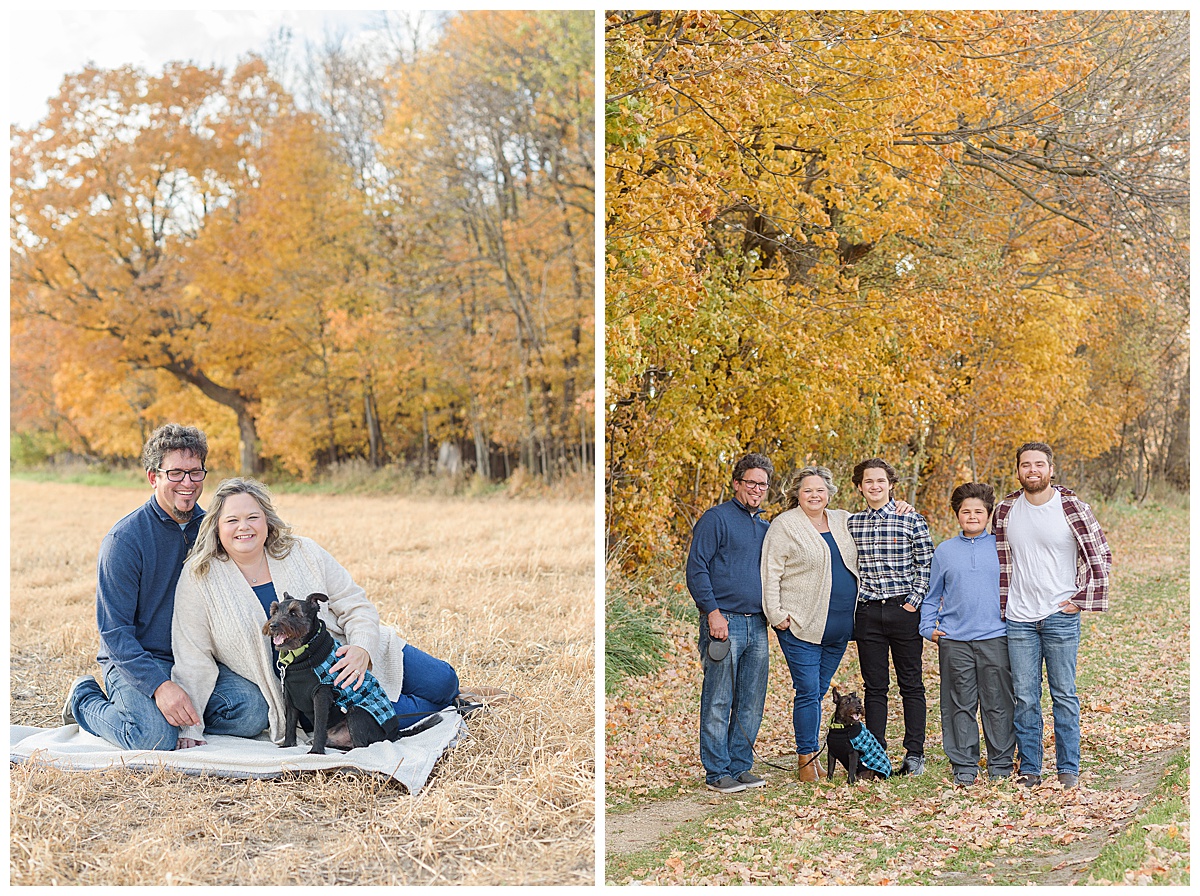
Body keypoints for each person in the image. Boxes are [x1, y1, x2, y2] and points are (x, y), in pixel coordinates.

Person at [170, 477, 467, 748]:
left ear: (267, 521)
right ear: (216, 527)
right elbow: (193, 655)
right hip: (319, 691)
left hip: (354, 655)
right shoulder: (200, 578)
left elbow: (354, 603)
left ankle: (448, 697)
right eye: (232, 520)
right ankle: (443, 706)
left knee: (445, 682)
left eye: (252, 517)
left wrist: (362, 649)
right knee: (409, 711)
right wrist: (190, 727)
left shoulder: (303, 551)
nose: (243, 527)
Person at [62, 424, 269, 750]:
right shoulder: (124, 541)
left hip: (198, 661)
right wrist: (160, 687)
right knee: (153, 736)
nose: (187, 483)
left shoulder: (213, 530)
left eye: (195, 472)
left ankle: (179, 715)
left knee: (254, 712)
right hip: (139, 661)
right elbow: (114, 634)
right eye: (175, 473)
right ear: (153, 477)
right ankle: (84, 698)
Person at [994, 442, 1111, 789]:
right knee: (1025, 697)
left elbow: (1101, 554)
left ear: (1050, 469)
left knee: (1064, 694)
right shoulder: (1005, 510)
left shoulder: (1072, 507)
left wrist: (1080, 599)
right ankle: (1030, 768)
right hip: (1019, 617)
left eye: (1039, 464)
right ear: (1018, 470)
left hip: (1060, 614)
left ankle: (1068, 768)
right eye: (1026, 465)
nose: (1032, 470)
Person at [760, 466, 858, 783]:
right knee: (807, 691)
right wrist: (775, 613)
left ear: (829, 493)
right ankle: (806, 759)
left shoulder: (843, 520)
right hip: (800, 625)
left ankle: (814, 755)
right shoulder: (785, 525)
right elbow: (770, 572)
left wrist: (900, 507)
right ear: (797, 494)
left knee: (818, 691)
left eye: (820, 490)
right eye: (807, 490)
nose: (814, 495)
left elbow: (877, 523)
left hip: (839, 626)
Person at [685, 453, 774, 794]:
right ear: (737, 483)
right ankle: (717, 771)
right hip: (724, 622)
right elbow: (697, 568)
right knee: (719, 699)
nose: (757, 489)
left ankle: (740, 767)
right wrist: (712, 613)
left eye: (763, 484)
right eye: (751, 482)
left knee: (751, 701)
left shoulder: (766, 528)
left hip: (758, 625)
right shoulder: (716, 519)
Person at [919, 482, 1015, 786]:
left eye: (978, 511)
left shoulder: (1002, 546)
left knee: (998, 702)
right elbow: (933, 594)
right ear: (957, 514)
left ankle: (1000, 763)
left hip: (996, 636)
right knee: (958, 704)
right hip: (955, 640)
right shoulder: (945, 551)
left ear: (988, 514)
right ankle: (964, 764)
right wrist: (927, 628)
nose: (972, 516)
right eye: (965, 511)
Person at [847, 457, 934, 776]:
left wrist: (913, 602)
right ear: (859, 487)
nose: (875, 486)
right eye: (868, 481)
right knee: (875, 687)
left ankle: (915, 754)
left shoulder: (911, 520)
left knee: (911, 684)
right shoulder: (851, 524)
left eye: (880, 481)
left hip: (903, 609)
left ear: (891, 485)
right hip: (868, 612)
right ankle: (876, 755)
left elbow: (927, 564)